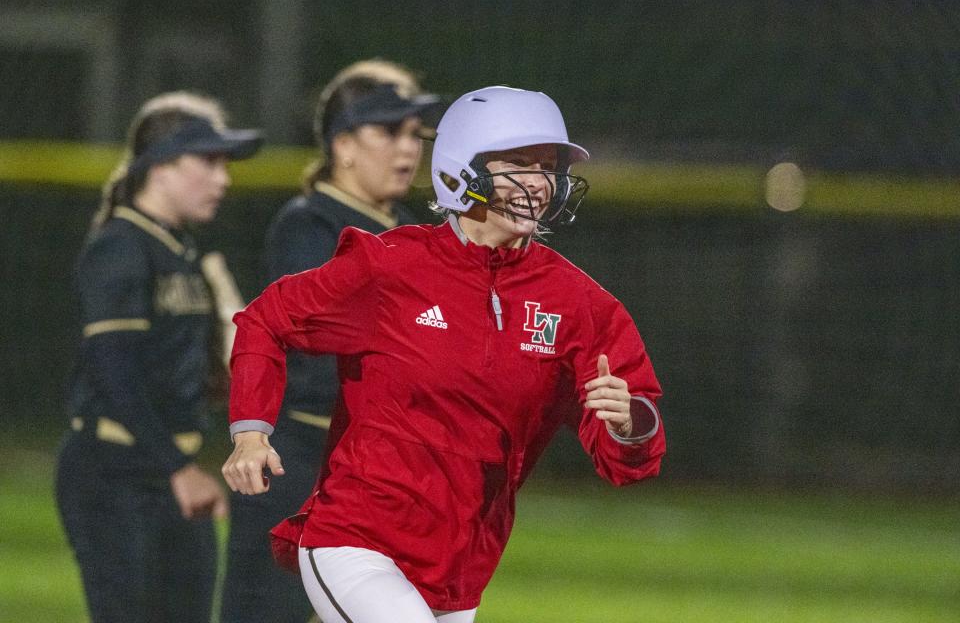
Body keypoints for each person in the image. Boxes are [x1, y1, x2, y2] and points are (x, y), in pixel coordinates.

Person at [222, 86, 665, 623]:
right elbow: (266, 321)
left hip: (462, 565)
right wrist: (250, 429)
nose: (537, 181)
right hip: (356, 537)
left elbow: (632, 452)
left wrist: (630, 422)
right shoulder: (390, 266)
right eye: (518, 163)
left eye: (547, 166)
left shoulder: (580, 303)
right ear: (462, 166)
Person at [220, 59, 442, 623]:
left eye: (414, 133)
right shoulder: (309, 226)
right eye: (389, 131)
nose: (408, 147)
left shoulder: (409, 227)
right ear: (343, 144)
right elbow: (322, 358)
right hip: (303, 463)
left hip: (382, 473)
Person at [55, 91, 262, 623]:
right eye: (209, 161)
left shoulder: (182, 250)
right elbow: (114, 373)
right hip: (115, 474)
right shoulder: (121, 245)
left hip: (170, 472)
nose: (224, 179)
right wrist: (178, 469)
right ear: (162, 165)